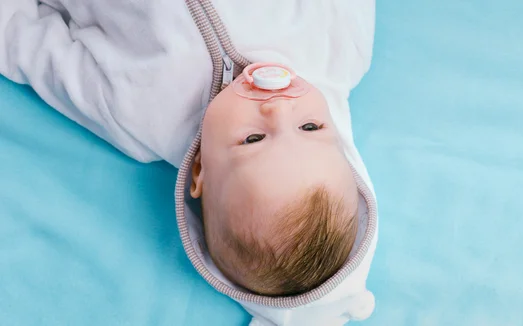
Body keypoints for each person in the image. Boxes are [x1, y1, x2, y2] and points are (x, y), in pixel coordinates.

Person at [0, 0, 378, 324]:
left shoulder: (139, 117)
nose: (279, 108)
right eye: (310, 126)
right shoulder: (338, 52)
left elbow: (27, 46)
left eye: (253, 139)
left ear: (200, 172)